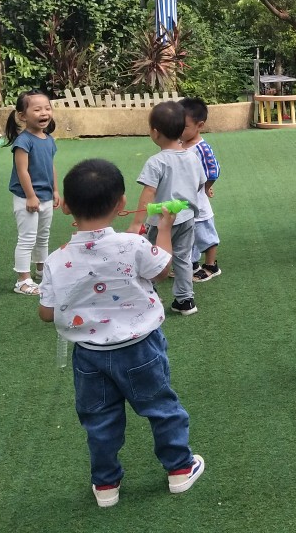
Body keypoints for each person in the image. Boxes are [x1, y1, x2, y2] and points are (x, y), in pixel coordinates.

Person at [39, 159, 204, 507]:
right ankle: (179, 469)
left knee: (99, 420)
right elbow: (162, 270)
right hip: (140, 349)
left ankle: (106, 486)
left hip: (88, 356)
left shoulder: (56, 260)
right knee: (161, 407)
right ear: (121, 204)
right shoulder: (132, 245)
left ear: (66, 206)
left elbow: (46, 313)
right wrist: (164, 226)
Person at [131, 101, 207, 316]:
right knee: (183, 257)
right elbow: (200, 183)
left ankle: (150, 296)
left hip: (161, 221)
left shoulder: (156, 162)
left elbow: (149, 191)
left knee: (153, 257)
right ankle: (185, 300)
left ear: (155, 132)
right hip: (186, 217)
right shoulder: (192, 156)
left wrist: (137, 222)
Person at [5, 91, 59, 295]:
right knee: (27, 238)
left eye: (47, 108)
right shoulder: (23, 141)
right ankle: (22, 281)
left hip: (45, 196)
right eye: (37, 109)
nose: (44, 113)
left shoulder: (48, 139)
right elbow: (22, 171)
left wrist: (55, 190)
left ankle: (41, 270)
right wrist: (30, 196)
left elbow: (50, 166)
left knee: (43, 236)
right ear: (22, 116)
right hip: (27, 198)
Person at [180, 98, 223, 282]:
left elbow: (214, 171)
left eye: (184, 127)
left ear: (200, 125)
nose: (178, 130)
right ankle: (192, 264)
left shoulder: (201, 148)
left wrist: (206, 188)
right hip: (184, 201)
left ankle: (211, 266)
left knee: (205, 234)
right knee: (187, 234)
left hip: (199, 203)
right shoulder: (179, 144)